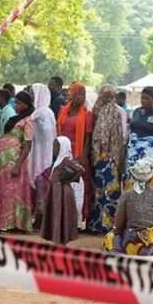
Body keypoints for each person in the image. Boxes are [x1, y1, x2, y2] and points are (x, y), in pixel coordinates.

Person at [103, 157, 153, 256]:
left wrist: (116, 231)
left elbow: (118, 226)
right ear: (151, 177)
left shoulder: (127, 196)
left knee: (110, 238)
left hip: (134, 241)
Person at [0, 91, 35, 232]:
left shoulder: (28, 120)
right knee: (4, 192)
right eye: (15, 102)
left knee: (15, 193)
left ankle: (16, 224)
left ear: (26, 105)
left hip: (16, 161)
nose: (16, 105)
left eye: (19, 103)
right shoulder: (16, 118)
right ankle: (5, 223)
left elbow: (28, 144)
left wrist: (18, 164)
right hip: (4, 163)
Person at [88, 85, 125, 234]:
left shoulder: (109, 111)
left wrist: (98, 155)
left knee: (107, 192)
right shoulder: (102, 110)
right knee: (101, 191)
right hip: (107, 158)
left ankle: (105, 225)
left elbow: (102, 138)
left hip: (106, 158)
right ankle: (100, 223)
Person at [57, 82, 94, 225]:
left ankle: (78, 220)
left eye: (84, 94)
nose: (82, 97)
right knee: (62, 184)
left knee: (79, 187)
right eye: (79, 93)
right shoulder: (62, 111)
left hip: (78, 152)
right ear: (72, 95)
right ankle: (62, 218)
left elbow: (88, 138)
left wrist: (83, 157)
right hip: (63, 151)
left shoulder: (87, 114)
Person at [41, 136, 84, 245]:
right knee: (55, 214)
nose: (54, 149)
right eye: (54, 146)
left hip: (61, 192)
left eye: (56, 146)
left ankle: (61, 240)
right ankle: (57, 239)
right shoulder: (58, 160)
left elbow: (80, 169)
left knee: (60, 214)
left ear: (63, 147)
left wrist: (68, 179)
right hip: (55, 191)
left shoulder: (66, 160)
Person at [29, 83, 58, 224]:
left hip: (40, 153)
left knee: (40, 182)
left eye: (32, 93)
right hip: (45, 152)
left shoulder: (40, 113)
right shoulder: (48, 112)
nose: (31, 95)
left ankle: (40, 219)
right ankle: (40, 218)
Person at [126, 86, 153, 179]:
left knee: (145, 182)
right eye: (142, 97)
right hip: (132, 153)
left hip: (148, 156)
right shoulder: (137, 111)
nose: (143, 100)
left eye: (147, 98)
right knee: (131, 182)